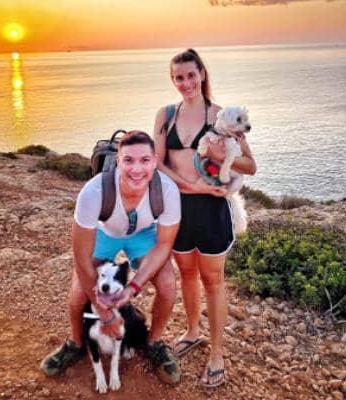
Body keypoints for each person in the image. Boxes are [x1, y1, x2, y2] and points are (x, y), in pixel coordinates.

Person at [40, 130, 181, 385]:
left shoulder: (167, 190)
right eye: (128, 160)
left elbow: (163, 246)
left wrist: (133, 288)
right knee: (78, 292)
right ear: (118, 161)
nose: (136, 169)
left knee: (168, 285)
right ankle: (76, 343)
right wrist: (105, 314)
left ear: (155, 161)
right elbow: (81, 260)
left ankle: (153, 344)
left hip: (143, 233)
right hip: (105, 233)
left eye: (144, 160)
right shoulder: (93, 192)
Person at [153, 49, 257, 388]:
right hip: (177, 208)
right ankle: (192, 331)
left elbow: (251, 166)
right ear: (173, 80)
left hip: (212, 209)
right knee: (186, 273)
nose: (185, 83)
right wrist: (189, 187)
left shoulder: (222, 116)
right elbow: (158, 162)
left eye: (190, 75)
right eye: (178, 77)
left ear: (202, 74)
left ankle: (216, 353)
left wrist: (216, 154)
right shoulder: (165, 115)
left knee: (213, 280)